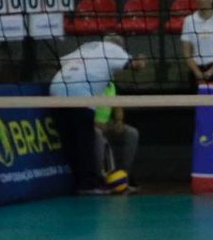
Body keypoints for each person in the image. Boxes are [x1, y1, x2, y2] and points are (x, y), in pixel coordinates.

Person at [49, 34, 145, 193]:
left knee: (70, 141)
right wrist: (141, 61)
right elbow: (135, 65)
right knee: (85, 140)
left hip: (56, 89)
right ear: (120, 47)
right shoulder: (113, 49)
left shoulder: (88, 46)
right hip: (79, 93)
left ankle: (76, 184)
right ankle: (89, 185)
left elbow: (60, 63)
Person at [95, 82, 140, 186]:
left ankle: (123, 176)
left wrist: (118, 121)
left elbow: (117, 106)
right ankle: (100, 179)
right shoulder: (90, 84)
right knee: (98, 136)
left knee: (131, 133)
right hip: (90, 125)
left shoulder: (111, 85)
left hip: (107, 125)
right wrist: (96, 123)